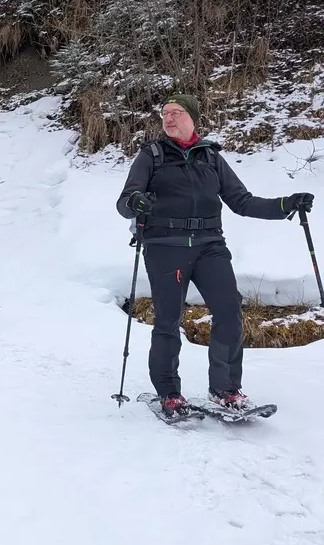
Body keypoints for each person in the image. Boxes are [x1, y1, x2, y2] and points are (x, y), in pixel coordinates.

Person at [116, 93, 314, 417]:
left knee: (230, 310)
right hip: (166, 247)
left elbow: (243, 201)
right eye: (165, 113)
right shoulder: (151, 155)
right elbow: (125, 202)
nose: (168, 118)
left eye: (176, 112)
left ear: (192, 118)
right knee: (168, 320)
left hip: (210, 246)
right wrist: (136, 202)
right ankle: (169, 393)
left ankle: (225, 390)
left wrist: (286, 204)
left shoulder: (210, 157)